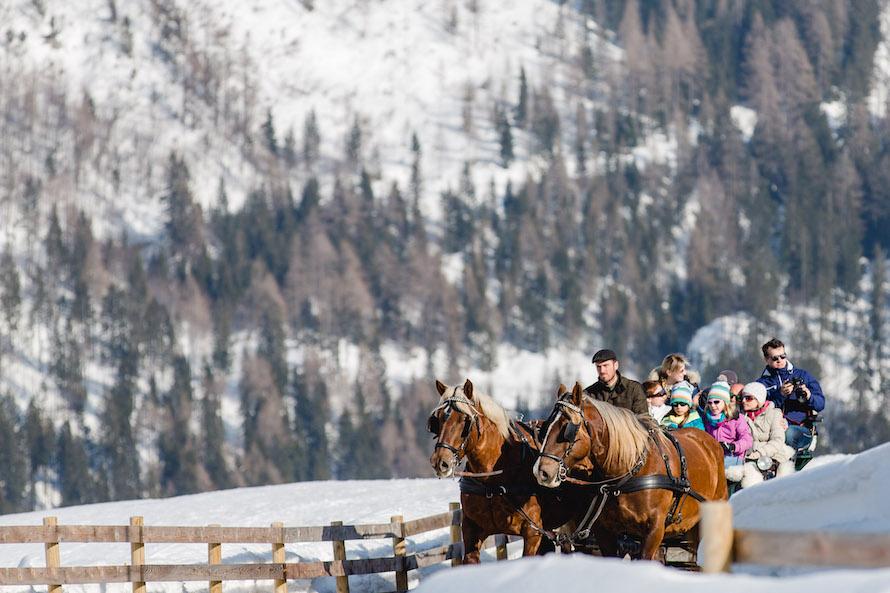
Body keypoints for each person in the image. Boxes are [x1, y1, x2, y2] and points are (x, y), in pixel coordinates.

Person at [755, 338, 825, 453]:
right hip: (771, 429)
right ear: (766, 359)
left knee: (788, 434)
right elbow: (757, 408)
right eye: (775, 358)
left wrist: (808, 396)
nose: (780, 360)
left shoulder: (803, 375)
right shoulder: (761, 384)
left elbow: (821, 404)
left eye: (783, 356)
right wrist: (780, 394)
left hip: (801, 429)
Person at [739, 382, 795, 488]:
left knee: (780, 480)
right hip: (749, 456)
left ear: (759, 399)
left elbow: (777, 440)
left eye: (749, 398)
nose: (743, 401)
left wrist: (760, 452)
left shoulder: (774, 414)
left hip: (772, 455)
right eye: (743, 398)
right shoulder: (741, 416)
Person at [702, 381, 752, 482]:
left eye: (716, 402)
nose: (713, 406)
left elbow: (747, 439)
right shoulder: (706, 419)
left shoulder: (736, 419)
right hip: (714, 456)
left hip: (734, 456)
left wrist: (733, 446)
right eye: (710, 402)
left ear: (725, 402)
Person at [584, 349, 647, 415]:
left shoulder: (634, 390)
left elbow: (643, 420)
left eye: (605, 365)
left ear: (616, 365)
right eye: (598, 367)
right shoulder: (590, 394)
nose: (602, 370)